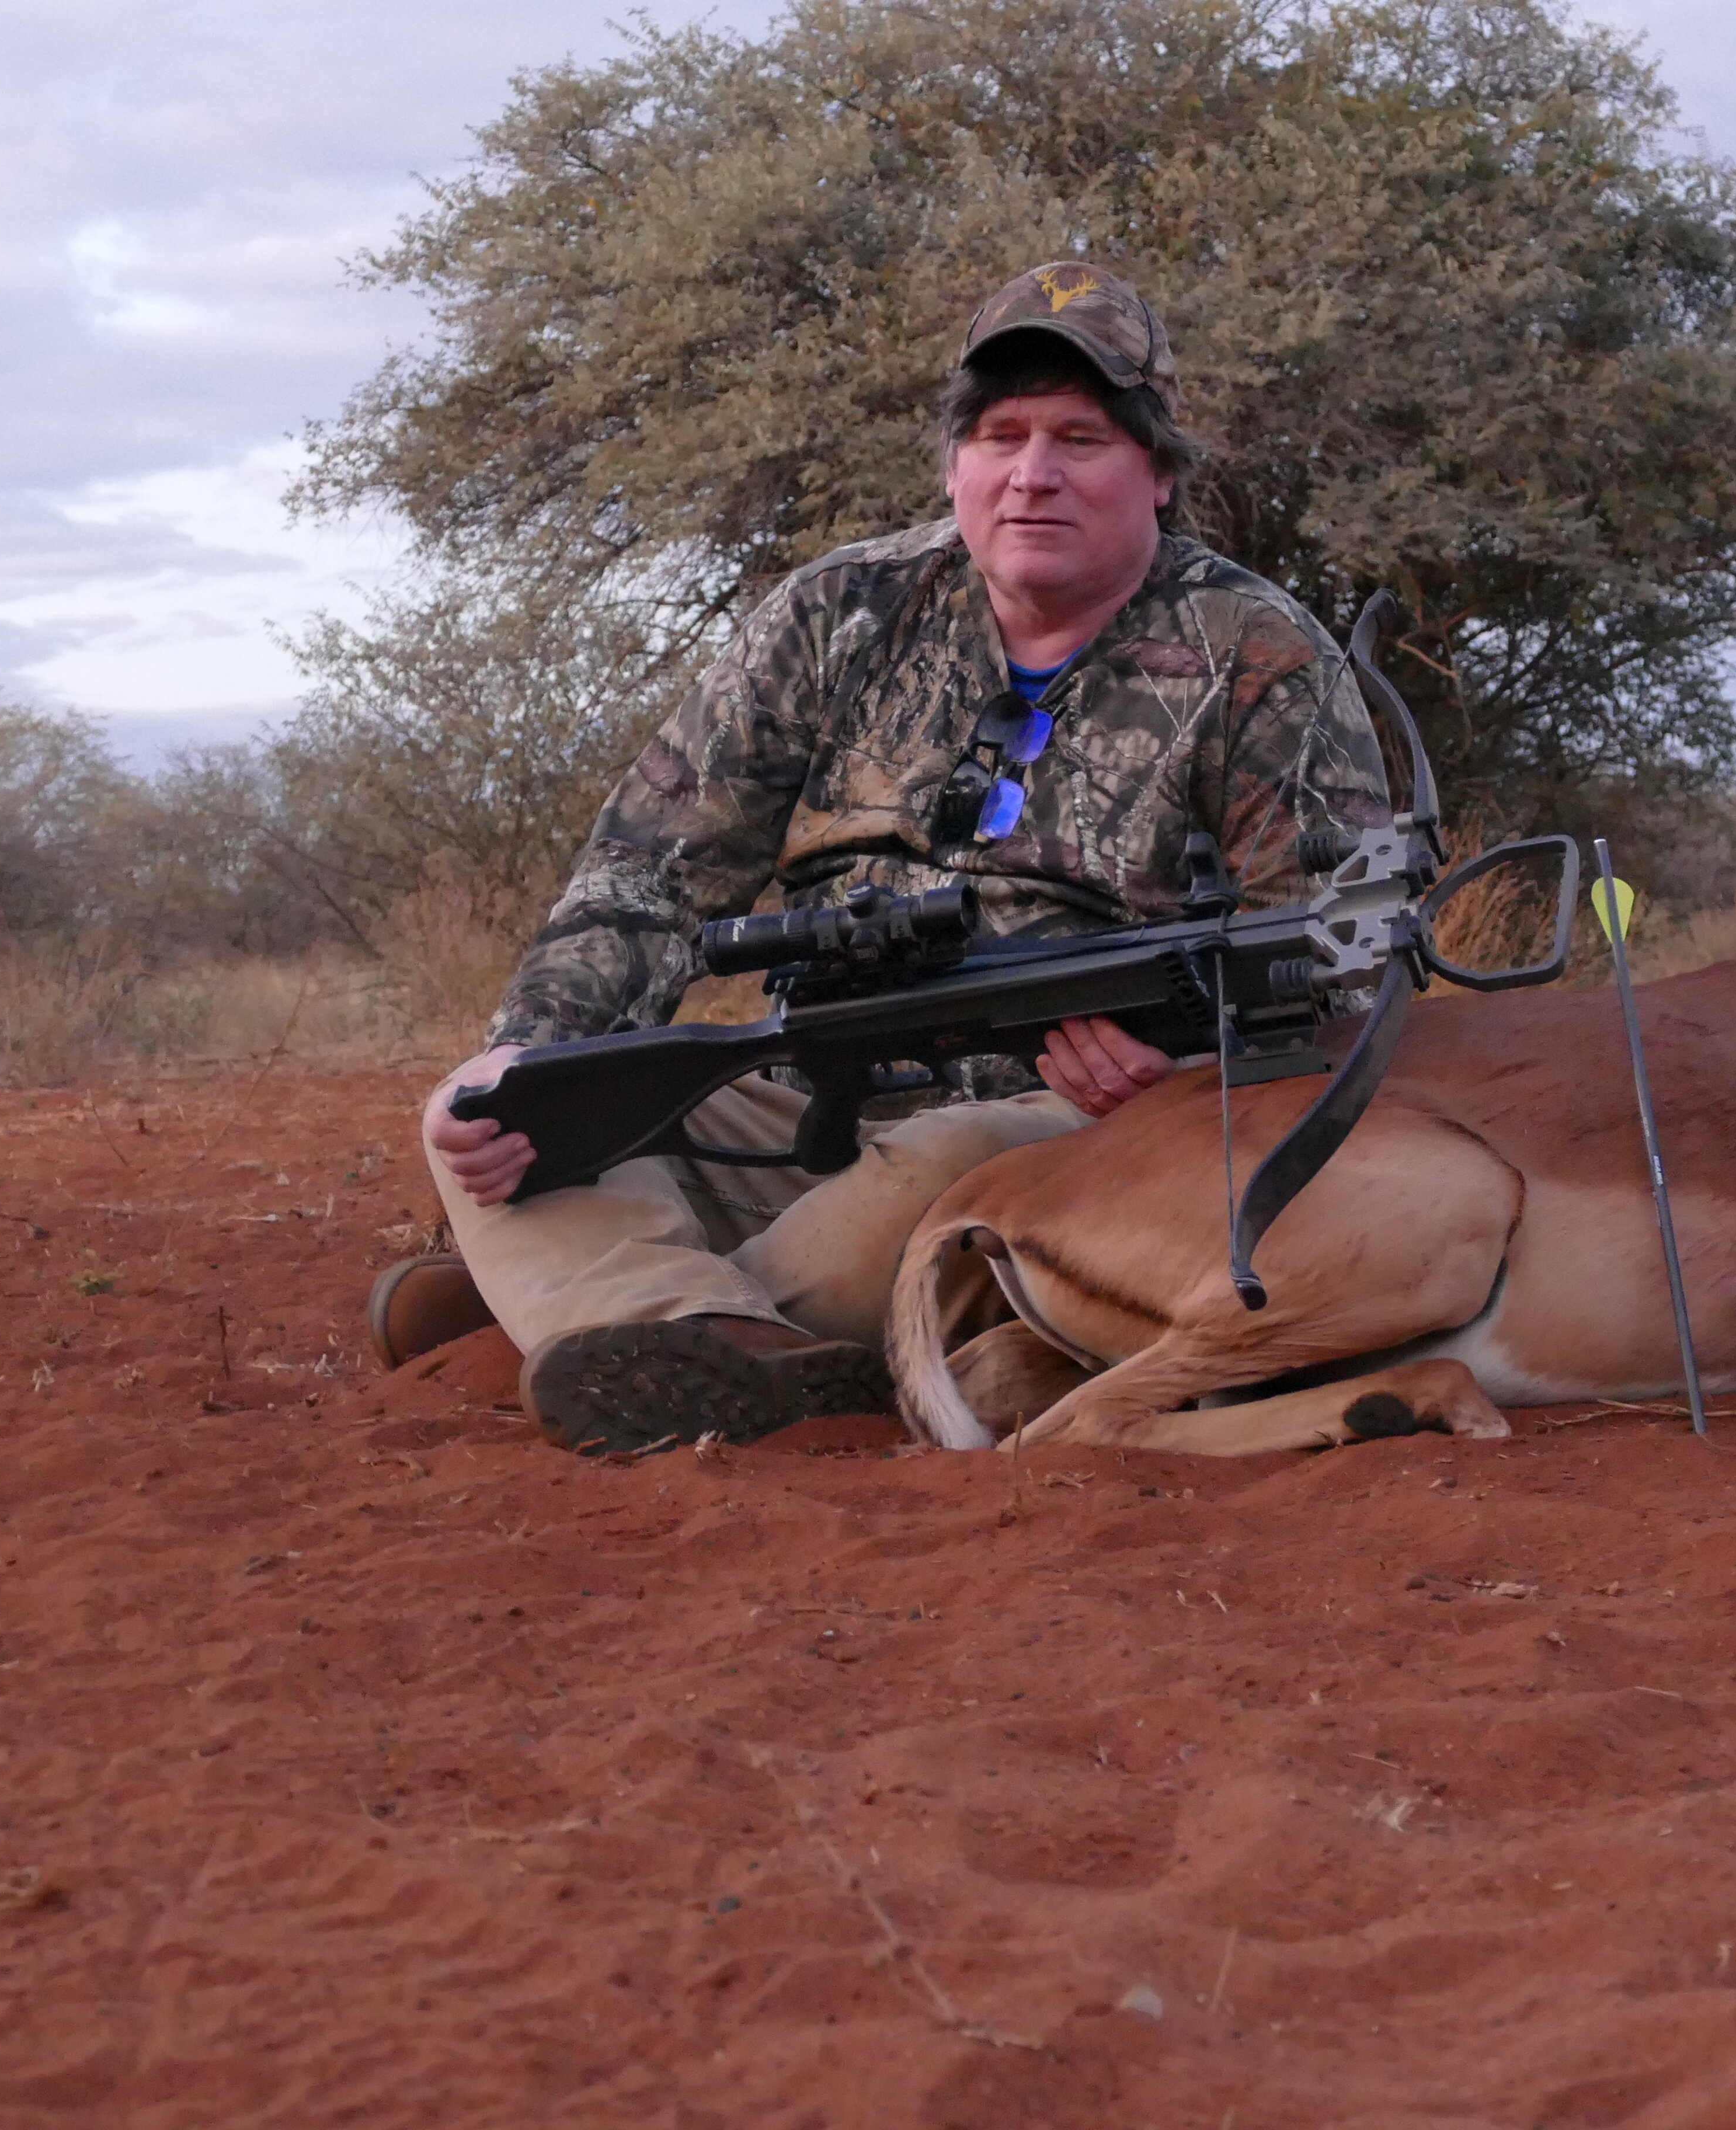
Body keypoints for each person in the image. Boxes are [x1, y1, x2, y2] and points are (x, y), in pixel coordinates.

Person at [370, 262, 1393, 1452]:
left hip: (1057, 1132)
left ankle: (583, 1313)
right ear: (953, 463)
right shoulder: (832, 611)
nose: (1034, 474)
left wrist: (1181, 1078)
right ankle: (710, 1340)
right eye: (1000, 435)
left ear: (1159, 470)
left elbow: (1342, 964)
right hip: (807, 1090)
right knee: (492, 1113)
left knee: (950, 1173)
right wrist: (537, 1047)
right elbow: (646, 877)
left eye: (1082, 437)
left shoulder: (1265, 655)